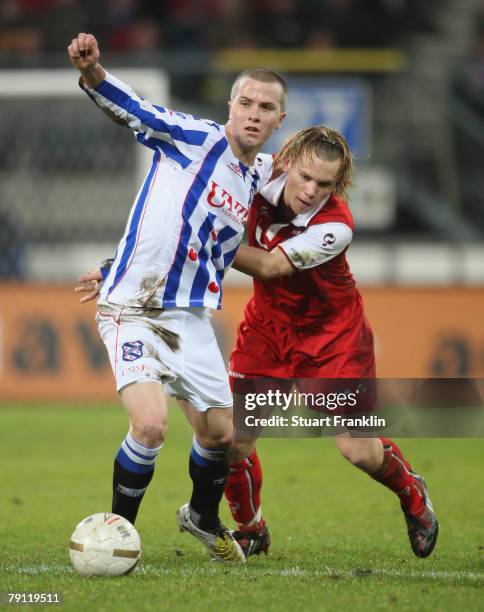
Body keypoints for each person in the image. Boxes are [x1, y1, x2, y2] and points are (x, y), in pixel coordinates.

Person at [68, 31, 286, 563]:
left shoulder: (259, 175)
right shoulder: (194, 138)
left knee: (223, 435)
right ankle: (117, 536)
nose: (254, 114)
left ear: (280, 119)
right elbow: (136, 110)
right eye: (246, 102)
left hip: (189, 316)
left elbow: (190, 236)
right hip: (133, 309)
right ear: (229, 105)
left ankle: (202, 518)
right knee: (150, 424)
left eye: (267, 107)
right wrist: (94, 72)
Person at [223, 126, 439, 559]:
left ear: (336, 185)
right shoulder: (255, 176)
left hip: (332, 336)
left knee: (357, 450)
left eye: (324, 184)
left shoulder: (335, 226)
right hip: (268, 329)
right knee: (231, 439)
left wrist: (204, 244)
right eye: (305, 177)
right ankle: (251, 529)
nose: (310, 191)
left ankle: (411, 488)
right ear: (287, 162)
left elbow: (267, 266)